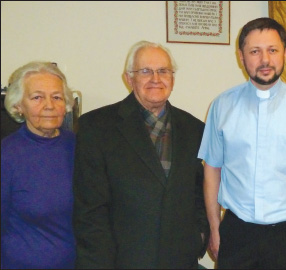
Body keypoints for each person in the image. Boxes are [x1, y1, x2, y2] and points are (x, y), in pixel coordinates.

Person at [198, 17, 286, 269]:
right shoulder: (222, 106)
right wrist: (215, 229)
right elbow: (212, 169)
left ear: (285, 52)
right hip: (237, 232)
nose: (265, 60)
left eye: (272, 50)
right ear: (241, 56)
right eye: (255, 51)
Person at [72, 41, 209, 269]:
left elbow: (198, 192)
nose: (156, 78)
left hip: (180, 261)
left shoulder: (195, 129)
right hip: (121, 262)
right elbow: (90, 210)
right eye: (145, 71)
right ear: (129, 79)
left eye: (163, 71)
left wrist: (200, 236)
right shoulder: (96, 127)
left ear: (172, 79)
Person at [1, 61, 76, 269]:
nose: (49, 105)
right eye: (37, 97)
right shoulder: (6, 156)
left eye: (57, 97)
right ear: (18, 106)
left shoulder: (81, 148)